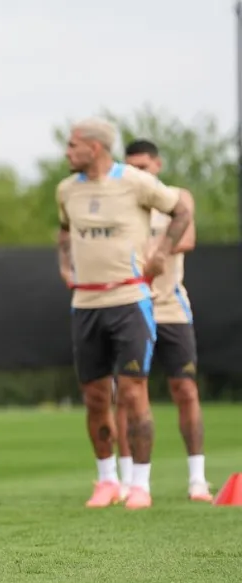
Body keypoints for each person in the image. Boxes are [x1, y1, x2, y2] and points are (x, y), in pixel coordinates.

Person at [56, 117, 194, 510]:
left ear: (94, 148)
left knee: (133, 393)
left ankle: (140, 485)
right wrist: (64, 265)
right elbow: (65, 232)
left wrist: (162, 251)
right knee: (95, 397)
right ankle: (106, 481)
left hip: (130, 301)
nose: (67, 152)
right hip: (85, 305)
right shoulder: (66, 190)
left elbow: (180, 210)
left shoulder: (135, 181)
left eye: (72, 145)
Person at [115, 139, 211, 502]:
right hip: (128, 305)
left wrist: (151, 251)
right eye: (131, 167)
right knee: (127, 394)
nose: (138, 173)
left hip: (170, 307)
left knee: (185, 389)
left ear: (158, 164)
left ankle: (197, 479)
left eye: (144, 166)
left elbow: (185, 237)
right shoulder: (120, 202)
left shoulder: (175, 197)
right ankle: (129, 481)